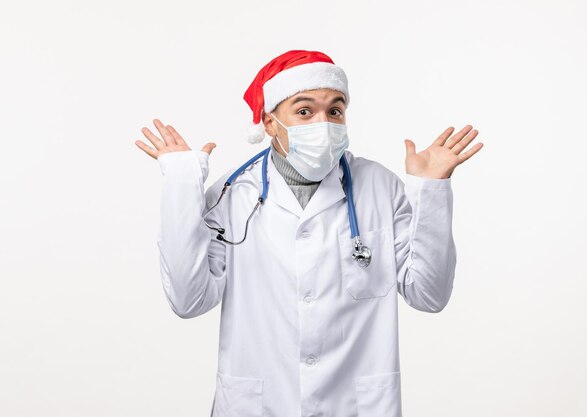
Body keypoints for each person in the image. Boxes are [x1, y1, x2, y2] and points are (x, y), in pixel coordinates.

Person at [135, 49, 483, 417]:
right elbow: (189, 301)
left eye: (335, 110)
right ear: (269, 122)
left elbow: (429, 295)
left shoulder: (380, 186)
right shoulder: (232, 194)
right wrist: (180, 187)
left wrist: (431, 191)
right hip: (260, 404)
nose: (325, 123)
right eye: (304, 111)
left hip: (356, 406)